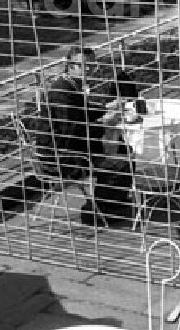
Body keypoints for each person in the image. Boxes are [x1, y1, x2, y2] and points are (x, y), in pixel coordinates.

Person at [40, 46, 133, 225]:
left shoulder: (70, 85)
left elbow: (82, 111)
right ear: (70, 65)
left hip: (71, 147)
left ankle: (113, 202)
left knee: (123, 148)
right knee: (121, 159)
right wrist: (104, 124)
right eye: (84, 65)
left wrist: (106, 108)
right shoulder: (62, 92)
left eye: (91, 65)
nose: (89, 70)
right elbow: (71, 131)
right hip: (63, 155)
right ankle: (98, 212)